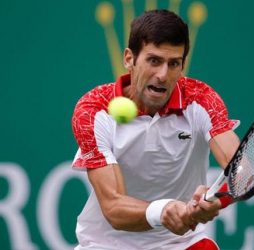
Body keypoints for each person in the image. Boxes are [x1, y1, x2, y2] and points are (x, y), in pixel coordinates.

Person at [71, 9, 240, 250]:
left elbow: (240, 171)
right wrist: (163, 211)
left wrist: (216, 199)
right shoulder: (93, 110)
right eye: (154, 60)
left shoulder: (201, 100)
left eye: (174, 64)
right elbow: (114, 208)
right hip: (106, 244)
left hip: (180, 243)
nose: (163, 75)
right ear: (129, 58)